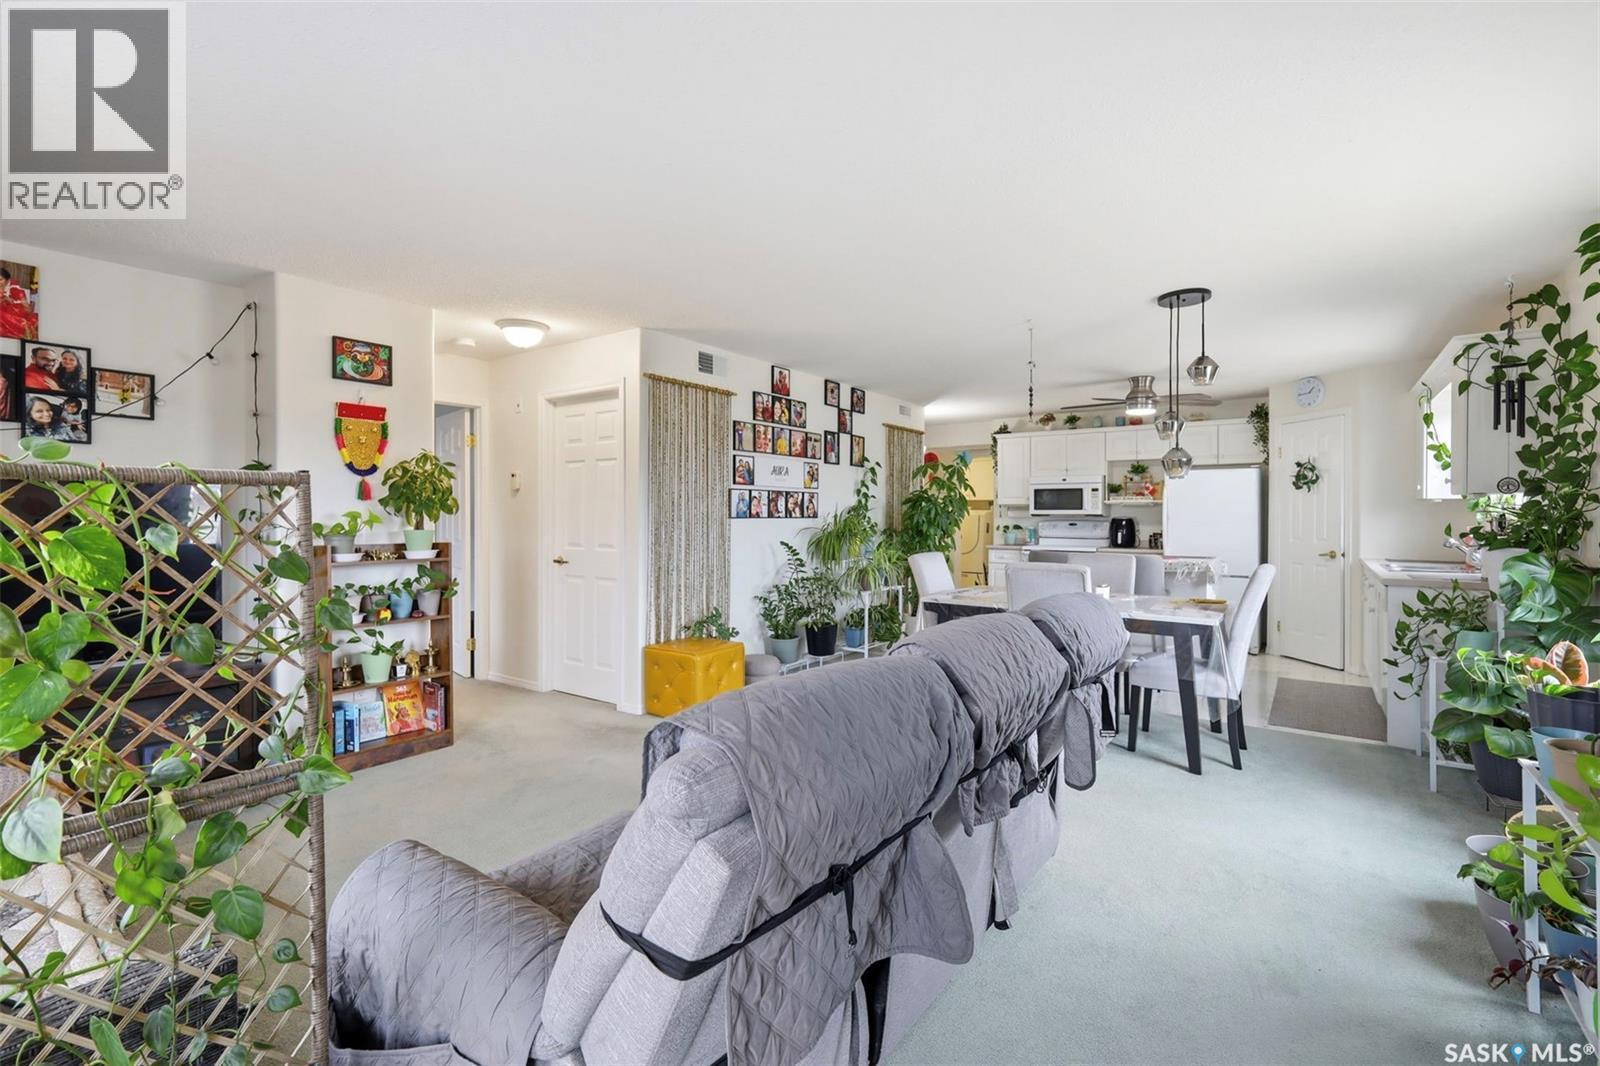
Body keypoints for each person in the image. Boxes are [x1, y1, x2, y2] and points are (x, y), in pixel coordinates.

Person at [0, 267, 39, 341]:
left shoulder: (15, 289)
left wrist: (10, 301)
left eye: (1, 279)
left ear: (8, 280)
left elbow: (28, 309)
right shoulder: (2, 287)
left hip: (19, 312)